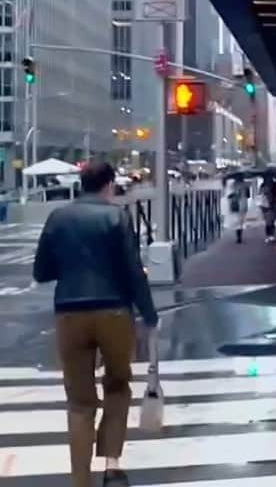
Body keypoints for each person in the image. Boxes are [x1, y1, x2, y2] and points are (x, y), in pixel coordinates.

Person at [33, 159, 158, 487]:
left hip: (69, 313)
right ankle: (112, 467)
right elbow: (133, 271)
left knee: (79, 401)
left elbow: (41, 272)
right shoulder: (116, 216)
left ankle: (80, 480)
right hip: (114, 312)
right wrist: (149, 313)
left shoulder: (57, 218)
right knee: (117, 385)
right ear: (109, 184)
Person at [226, 177, 249, 243]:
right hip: (243, 204)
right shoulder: (245, 185)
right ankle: (239, 236)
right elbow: (248, 195)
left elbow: (229, 196)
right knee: (240, 221)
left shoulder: (232, 185)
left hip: (235, 204)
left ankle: (239, 237)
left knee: (237, 221)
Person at [259, 173, 276, 243]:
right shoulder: (263, 185)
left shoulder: (273, 185)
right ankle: (269, 235)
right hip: (266, 205)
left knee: (270, 221)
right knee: (268, 221)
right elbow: (261, 194)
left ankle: (271, 235)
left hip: (271, 204)